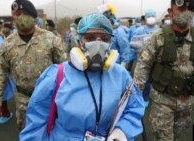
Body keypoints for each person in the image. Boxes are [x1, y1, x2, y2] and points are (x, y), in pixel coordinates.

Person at [20, 13, 145, 141]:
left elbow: (134, 107)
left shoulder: (120, 75)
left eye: (105, 39)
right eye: (90, 38)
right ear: (79, 40)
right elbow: (36, 125)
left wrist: (122, 130)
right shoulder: (56, 76)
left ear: (110, 42)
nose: (98, 44)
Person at [133, 0, 194, 140]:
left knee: (177, 136)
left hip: (186, 102)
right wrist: (135, 96)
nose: (185, 12)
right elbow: (142, 67)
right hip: (162, 99)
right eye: (181, 9)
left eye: (190, 10)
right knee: (164, 138)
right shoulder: (157, 37)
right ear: (170, 12)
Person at [0, 0, 66, 130]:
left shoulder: (50, 39)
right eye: (16, 14)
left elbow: (64, 69)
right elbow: (0, 72)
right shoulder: (7, 44)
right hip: (22, 99)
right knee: (26, 131)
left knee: (51, 130)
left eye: (24, 13)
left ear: (33, 16)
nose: (20, 17)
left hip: (48, 97)